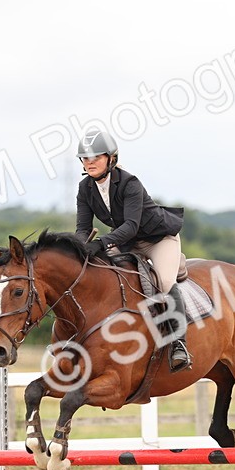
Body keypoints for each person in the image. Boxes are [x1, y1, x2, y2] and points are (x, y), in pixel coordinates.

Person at [74, 129, 192, 372]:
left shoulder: (129, 183)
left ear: (111, 158)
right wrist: (79, 249)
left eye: (96, 156)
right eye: (85, 158)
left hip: (158, 239)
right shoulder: (85, 188)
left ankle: (179, 343)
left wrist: (102, 243)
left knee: (164, 282)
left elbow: (130, 226)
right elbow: (82, 228)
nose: (90, 162)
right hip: (127, 242)